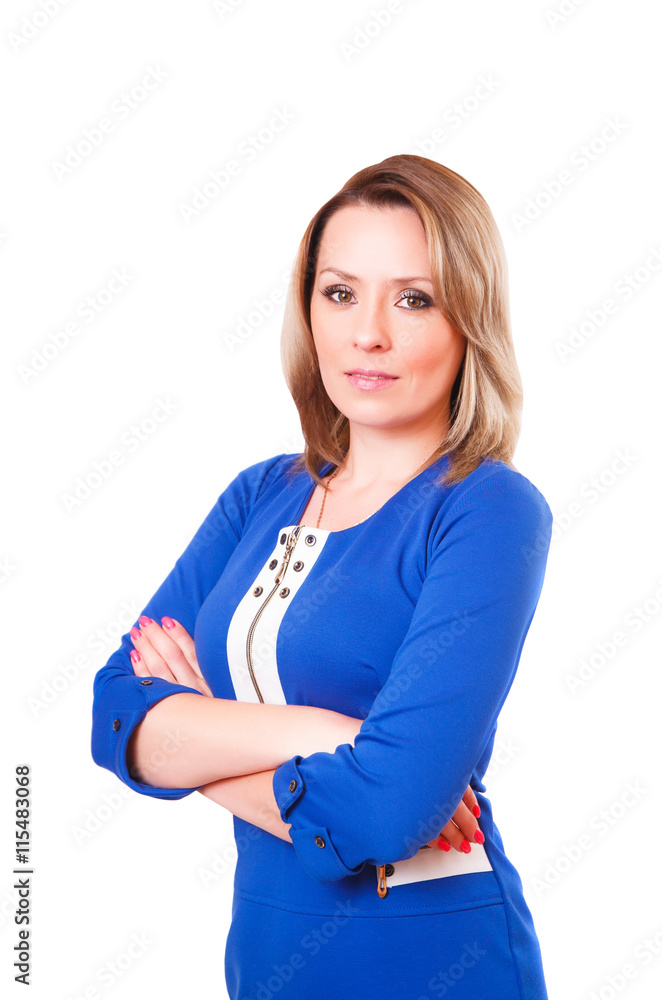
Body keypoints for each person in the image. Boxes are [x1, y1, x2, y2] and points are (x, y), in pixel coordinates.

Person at [91, 153, 553, 999]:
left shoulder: (488, 510)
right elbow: (114, 712)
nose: (367, 333)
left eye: (414, 299)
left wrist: (185, 747)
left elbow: (388, 812)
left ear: (469, 319)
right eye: (340, 292)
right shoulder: (260, 494)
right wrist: (327, 735)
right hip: (266, 961)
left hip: (433, 962)